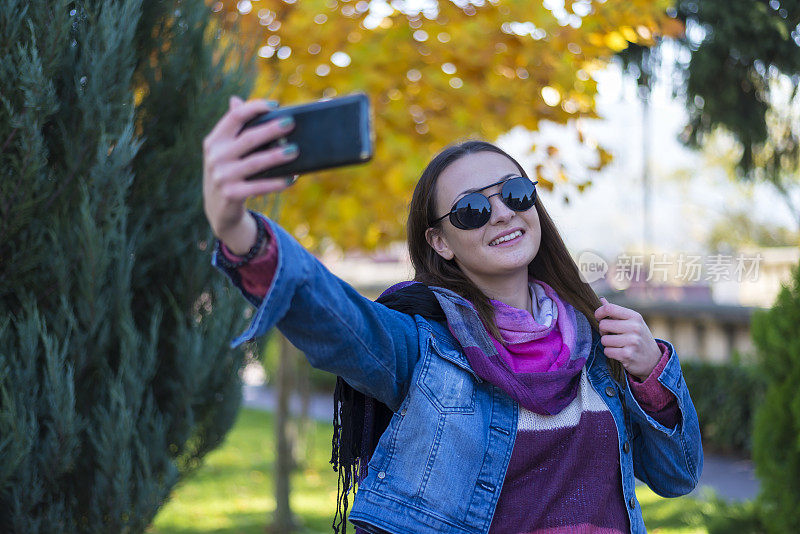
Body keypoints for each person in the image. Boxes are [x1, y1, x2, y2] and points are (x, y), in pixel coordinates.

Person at [203, 95, 703, 534]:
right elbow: (331, 315)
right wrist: (237, 230)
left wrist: (649, 373)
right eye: (471, 210)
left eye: (514, 193)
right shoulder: (420, 349)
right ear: (440, 242)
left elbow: (677, 476)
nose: (504, 213)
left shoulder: (597, 342)